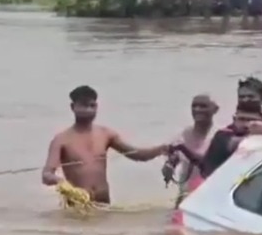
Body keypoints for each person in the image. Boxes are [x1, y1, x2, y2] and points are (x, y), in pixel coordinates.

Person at [41, 85, 172, 204]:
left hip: (104, 203)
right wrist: (61, 182)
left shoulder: (105, 134)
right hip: (78, 204)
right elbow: (46, 175)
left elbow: (136, 155)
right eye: (84, 105)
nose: (88, 110)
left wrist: (160, 149)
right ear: (72, 107)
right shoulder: (62, 139)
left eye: (92, 106)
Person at [161, 94, 219, 196]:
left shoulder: (219, 135)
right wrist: (169, 167)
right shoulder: (184, 134)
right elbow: (174, 158)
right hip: (187, 195)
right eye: (194, 106)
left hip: (211, 194)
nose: (197, 109)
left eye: (203, 106)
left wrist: (184, 149)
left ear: (215, 110)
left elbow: (208, 163)